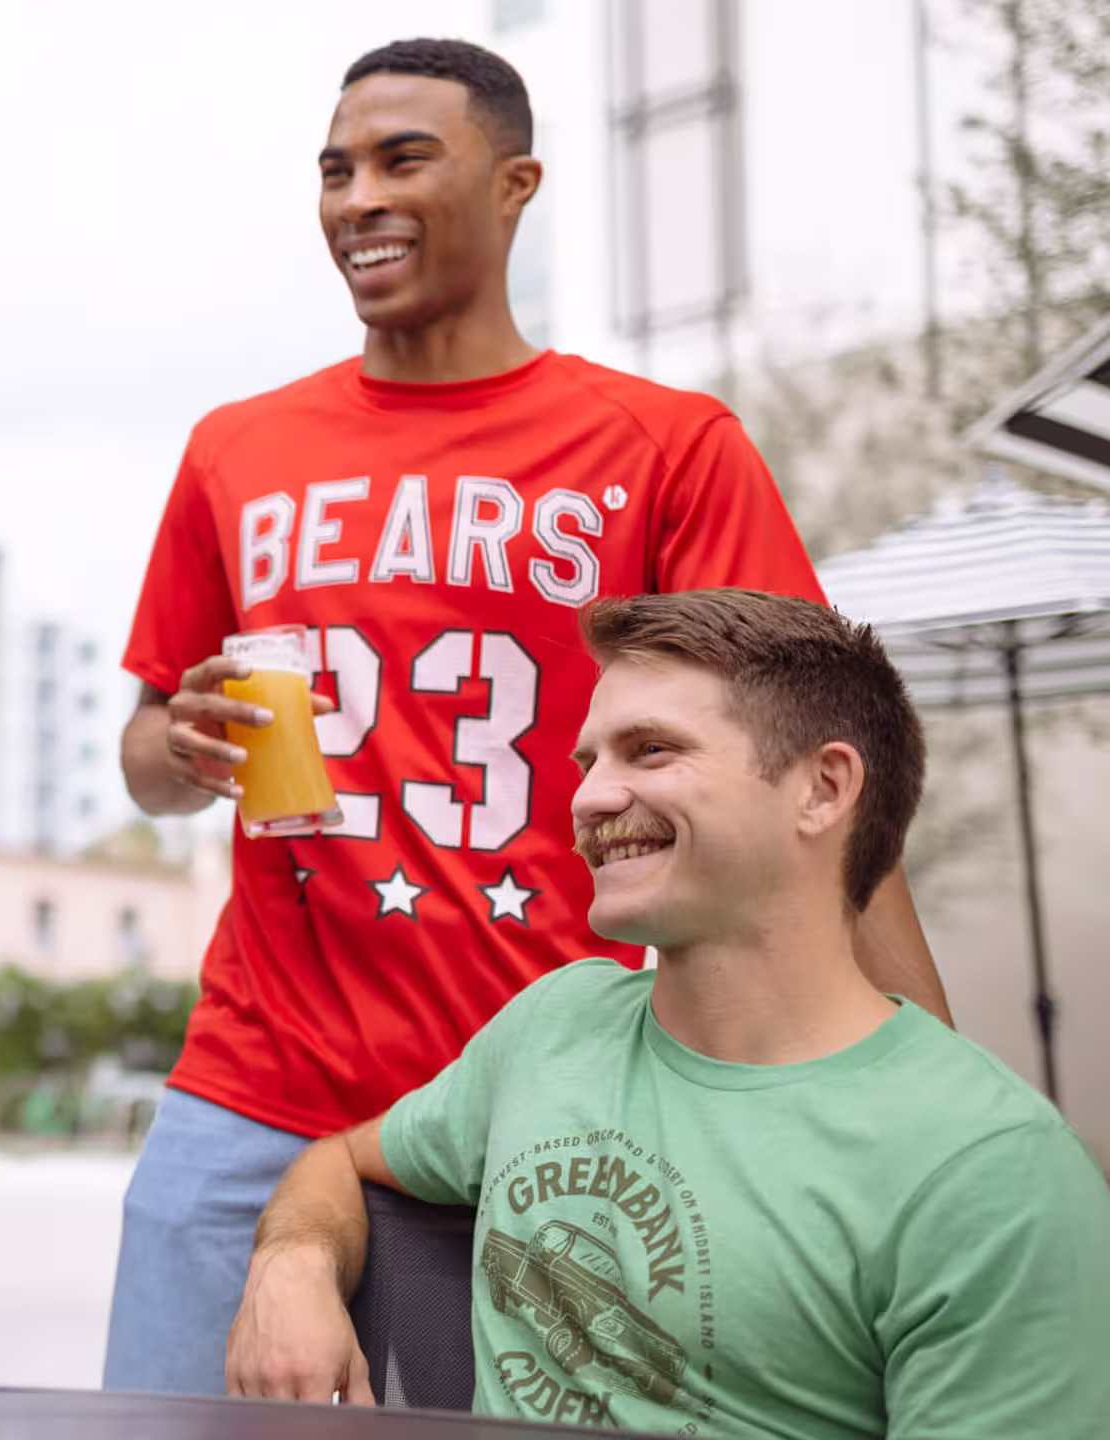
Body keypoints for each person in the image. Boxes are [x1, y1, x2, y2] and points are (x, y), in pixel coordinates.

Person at [106, 38, 952, 1395]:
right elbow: (146, 756)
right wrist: (182, 743)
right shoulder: (236, 450)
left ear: (516, 186)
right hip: (256, 1084)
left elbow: (814, 758)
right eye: (334, 170)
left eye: (402, 159)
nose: (356, 197)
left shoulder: (665, 445)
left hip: (554, 1097)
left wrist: (930, 1065)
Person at [226, 589, 1110, 1436]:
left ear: (824, 788)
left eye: (650, 751)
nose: (590, 798)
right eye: (590, 761)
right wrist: (292, 1260)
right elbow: (339, 1160)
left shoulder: (996, 1174)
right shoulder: (555, 1025)